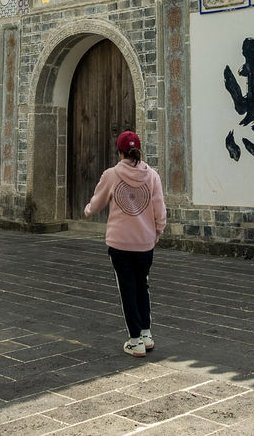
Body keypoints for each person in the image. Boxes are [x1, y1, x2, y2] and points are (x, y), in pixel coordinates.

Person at [84, 130, 167, 357]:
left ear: (119, 151)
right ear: (138, 150)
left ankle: (134, 340)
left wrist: (88, 210)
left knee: (127, 290)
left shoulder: (111, 175)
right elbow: (160, 212)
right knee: (142, 286)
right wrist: (155, 233)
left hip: (120, 244)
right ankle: (146, 334)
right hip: (145, 244)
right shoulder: (152, 176)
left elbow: (98, 200)